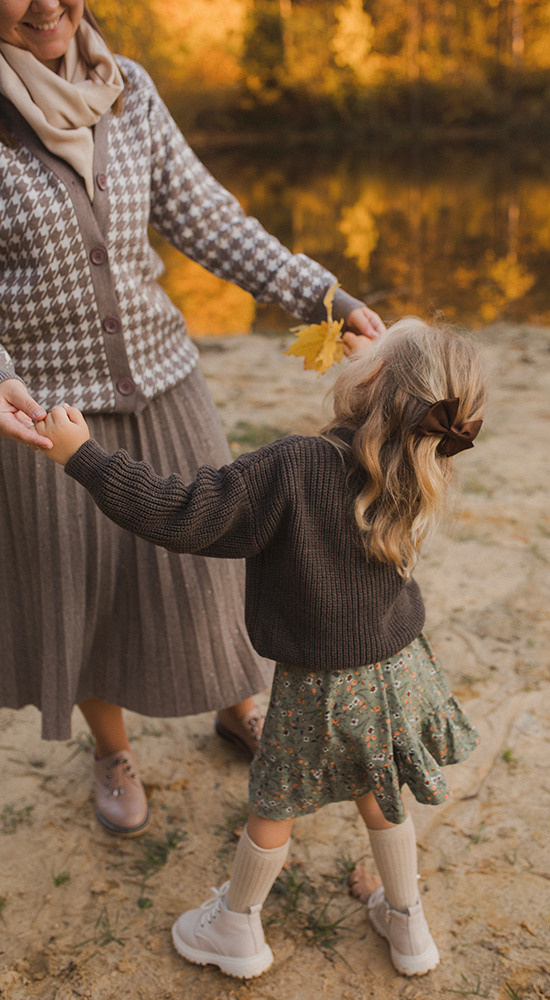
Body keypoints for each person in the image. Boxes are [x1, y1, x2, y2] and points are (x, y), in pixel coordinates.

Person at [0, 0, 385, 837]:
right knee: (83, 585)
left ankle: (231, 702)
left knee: (211, 564)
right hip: (48, 411)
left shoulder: (127, 88)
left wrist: (321, 295)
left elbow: (209, 220)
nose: (43, 5)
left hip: (164, 380)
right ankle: (111, 750)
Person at [35, 317, 486, 977]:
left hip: (320, 685)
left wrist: (83, 455)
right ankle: (407, 924)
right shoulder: (421, 453)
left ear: (372, 380)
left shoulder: (294, 466)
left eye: (377, 349)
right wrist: (384, 371)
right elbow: (403, 403)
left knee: (273, 806)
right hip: (397, 668)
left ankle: (236, 927)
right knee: (380, 792)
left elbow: (180, 511)